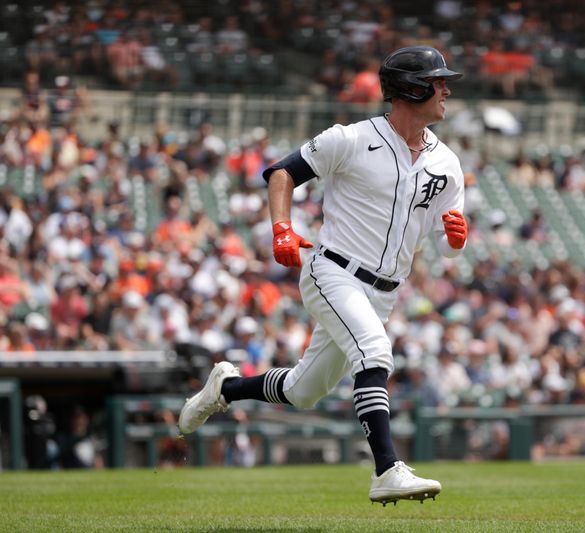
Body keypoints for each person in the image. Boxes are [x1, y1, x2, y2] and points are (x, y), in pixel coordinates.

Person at [178, 46, 467, 505]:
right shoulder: (350, 138)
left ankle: (226, 389)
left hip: (384, 292)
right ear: (411, 89)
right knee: (374, 353)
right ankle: (387, 468)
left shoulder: (446, 162)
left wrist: (456, 239)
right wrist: (281, 229)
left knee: (303, 390)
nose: (447, 88)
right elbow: (280, 174)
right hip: (334, 272)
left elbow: (448, 244)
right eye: (437, 81)